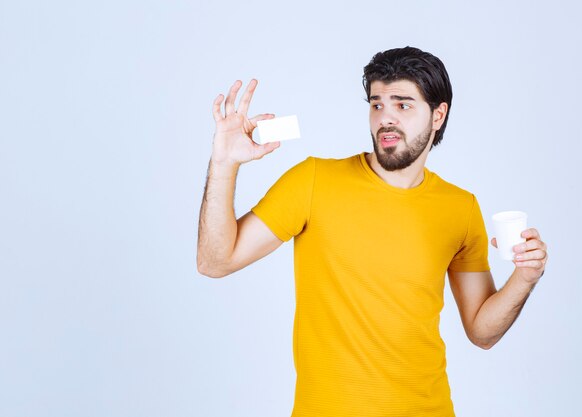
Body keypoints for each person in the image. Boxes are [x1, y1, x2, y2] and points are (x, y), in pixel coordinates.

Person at [197, 46, 548, 417]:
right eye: (377, 104)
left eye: (403, 105)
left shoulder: (460, 208)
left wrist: (525, 277)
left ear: (438, 115)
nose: (386, 118)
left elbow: (482, 331)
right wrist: (224, 162)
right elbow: (214, 262)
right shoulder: (313, 181)